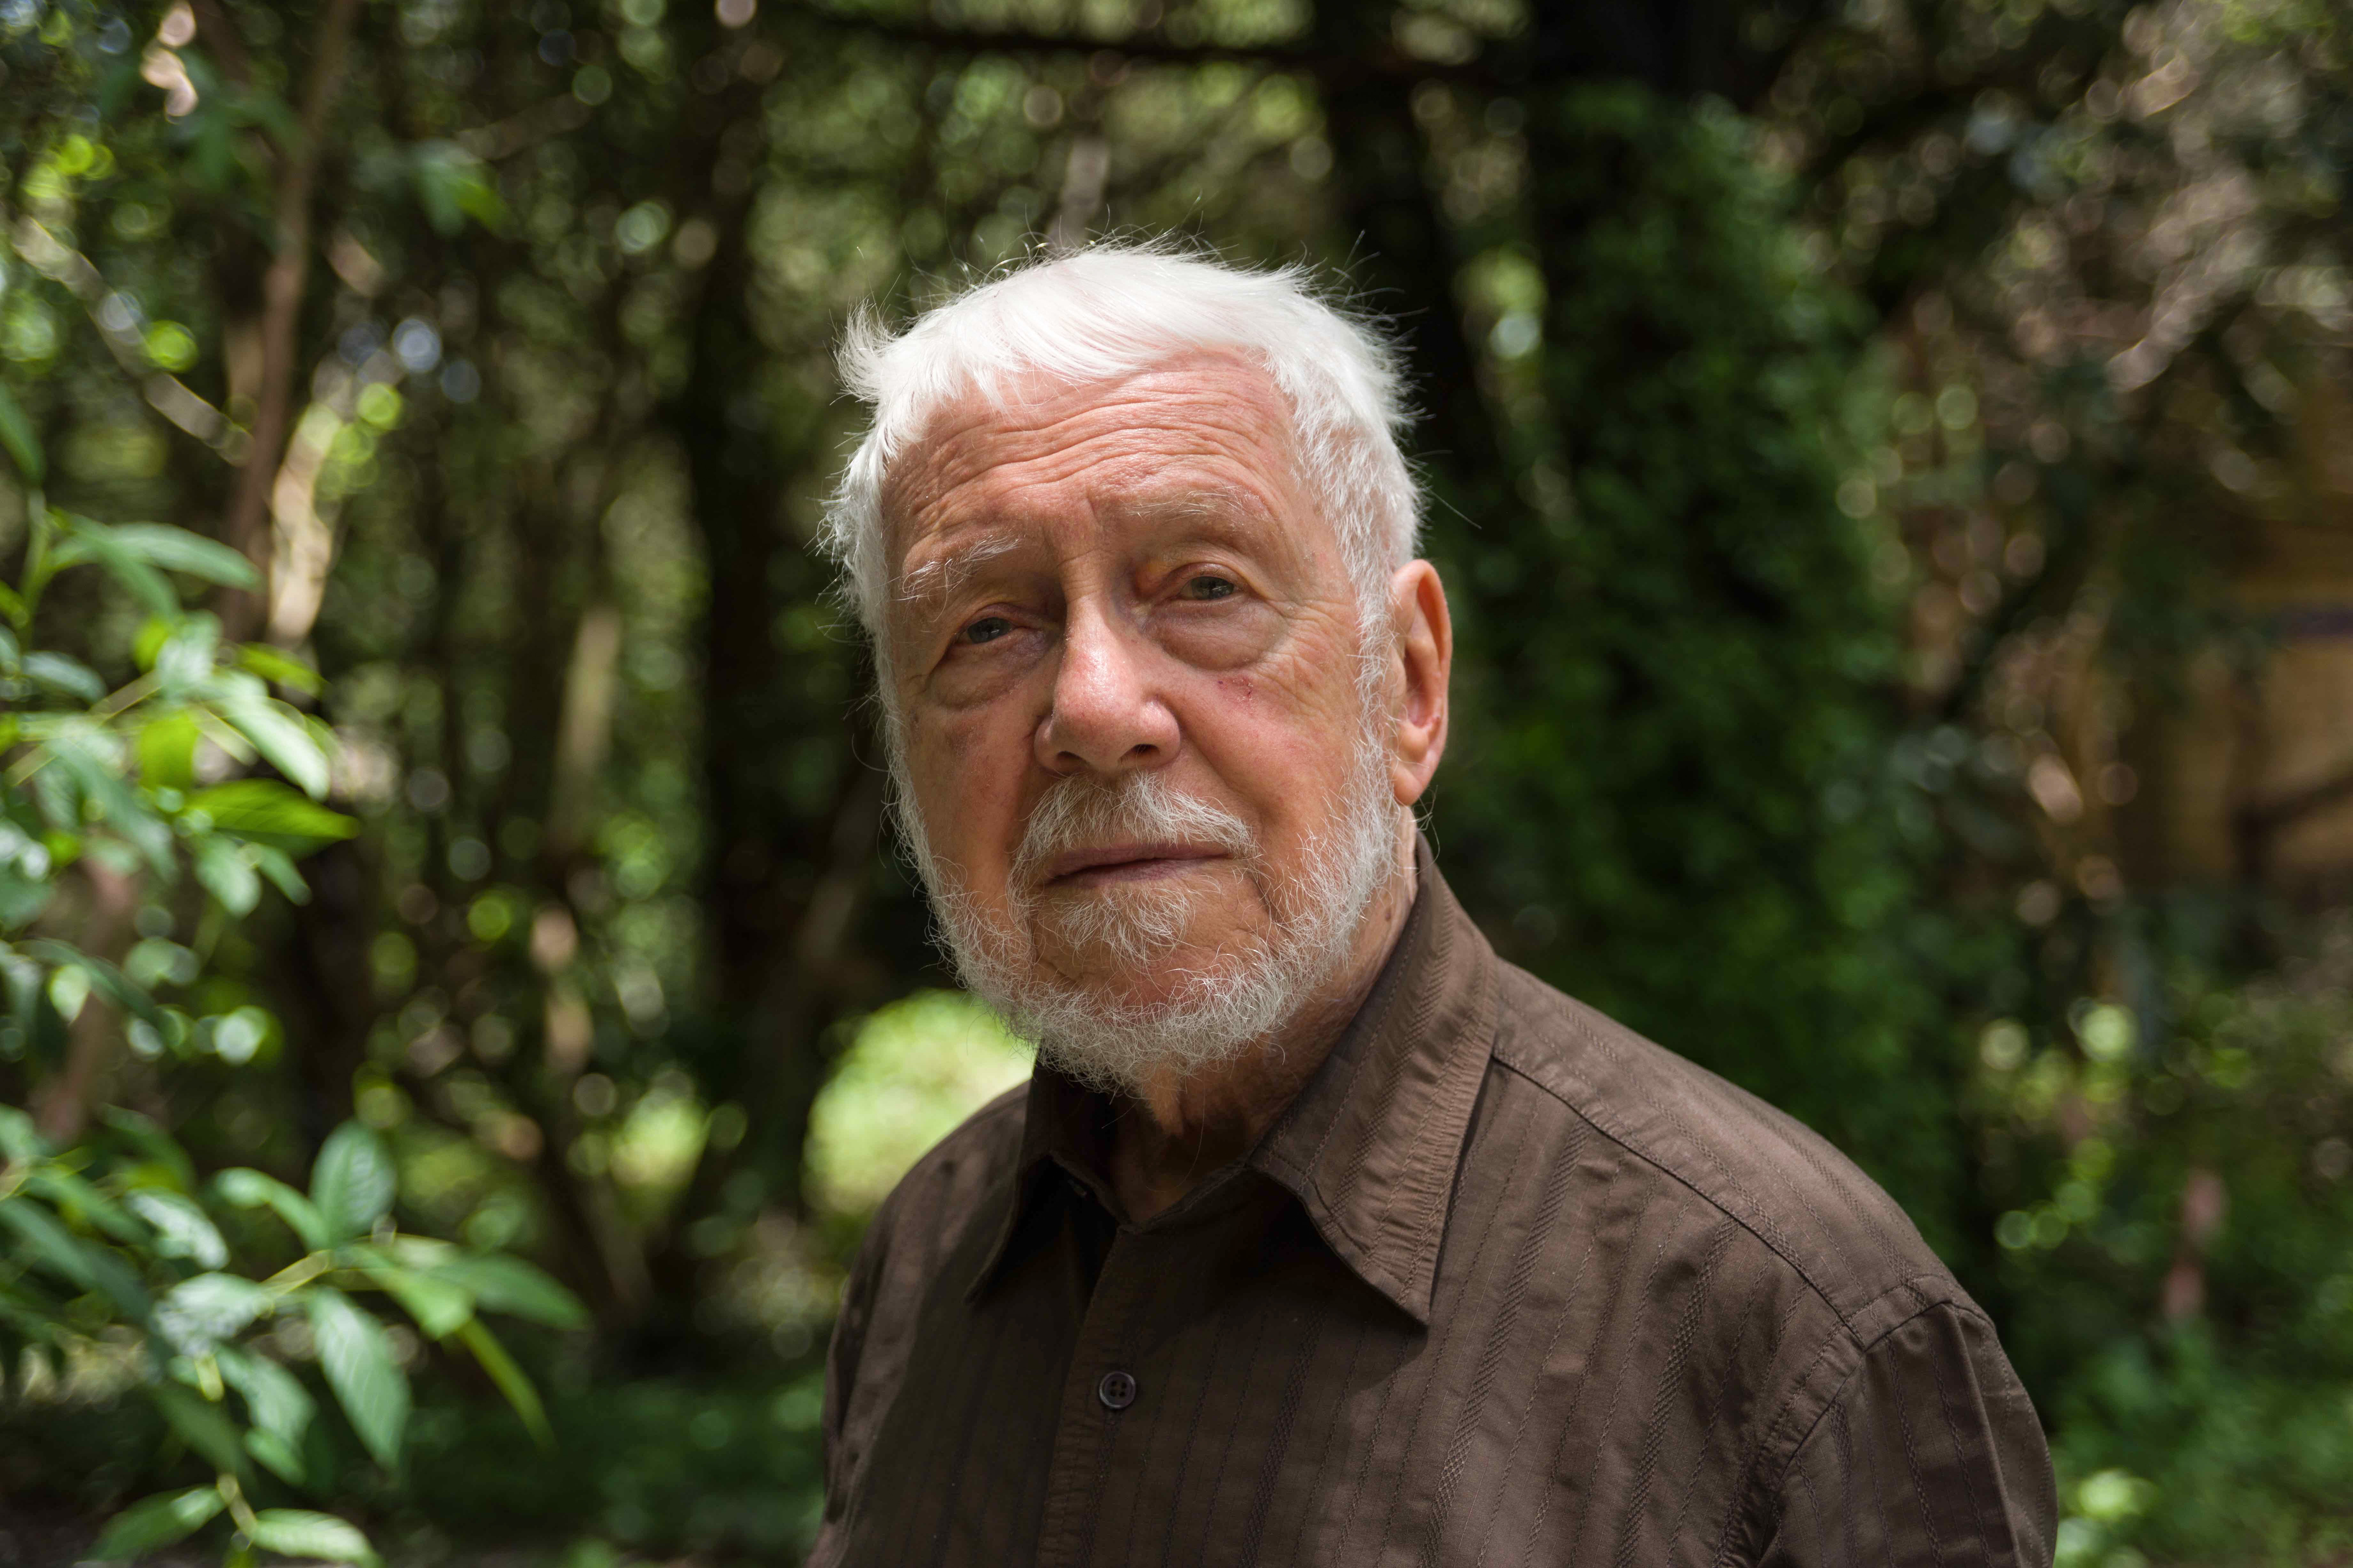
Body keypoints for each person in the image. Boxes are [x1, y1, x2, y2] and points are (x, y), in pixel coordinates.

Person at [806, 244, 2056, 1567]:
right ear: (901, 749)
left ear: (1406, 684)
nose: (1096, 708)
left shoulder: (1796, 1334)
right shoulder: (927, 1255)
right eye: (988, 628)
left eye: (1206, 587)